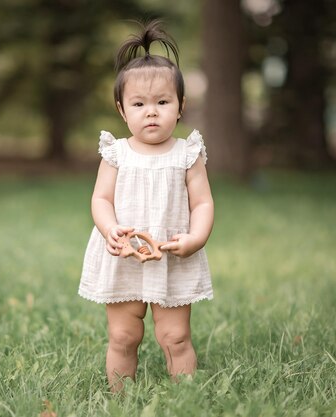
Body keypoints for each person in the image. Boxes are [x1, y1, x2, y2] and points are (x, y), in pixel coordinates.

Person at [79, 20, 214, 392]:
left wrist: (196, 238)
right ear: (122, 111)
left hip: (172, 256)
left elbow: (202, 202)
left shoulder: (187, 153)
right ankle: (120, 398)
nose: (151, 112)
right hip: (124, 255)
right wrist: (110, 229)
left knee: (175, 337)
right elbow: (101, 199)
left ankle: (185, 398)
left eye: (162, 102)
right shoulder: (116, 152)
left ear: (181, 107)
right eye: (139, 104)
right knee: (123, 335)